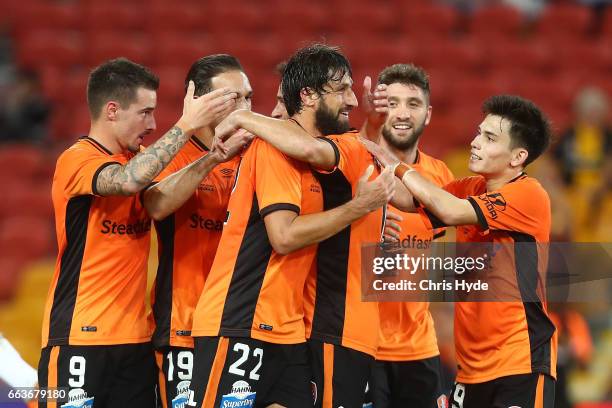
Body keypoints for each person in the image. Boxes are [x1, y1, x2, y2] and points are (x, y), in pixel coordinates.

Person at [188, 44, 395, 408]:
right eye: (342, 89)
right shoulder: (274, 148)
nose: (351, 99)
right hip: (240, 319)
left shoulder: (316, 151)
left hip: (287, 331)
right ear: (308, 95)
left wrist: (375, 127)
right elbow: (282, 237)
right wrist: (358, 208)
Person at [37, 57, 237, 408]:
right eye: (145, 112)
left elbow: (159, 202)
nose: (153, 123)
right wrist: (186, 126)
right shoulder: (77, 158)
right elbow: (127, 182)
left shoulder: (140, 157)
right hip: (79, 334)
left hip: (136, 339)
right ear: (112, 110)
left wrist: (211, 159)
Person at [365, 94, 557, 408]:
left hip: (520, 361)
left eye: (490, 137)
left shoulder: (529, 194)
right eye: (479, 132)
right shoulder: (469, 187)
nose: (475, 142)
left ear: (517, 157)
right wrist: (367, 150)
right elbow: (407, 198)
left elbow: (450, 211)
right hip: (470, 370)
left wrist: (398, 167)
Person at [141, 54, 254, 408]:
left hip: (244, 327)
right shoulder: (172, 153)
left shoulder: (259, 155)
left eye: (249, 96)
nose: (246, 106)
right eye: (233, 98)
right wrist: (212, 158)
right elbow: (156, 205)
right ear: (201, 102)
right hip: (183, 325)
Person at [361, 63, 454, 408]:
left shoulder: (439, 174)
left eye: (412, 104)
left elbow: (439, 263)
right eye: (393, 103)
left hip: (420, 348)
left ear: (428, 114)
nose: (402, 114)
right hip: (361, 345)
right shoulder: (356, 163)